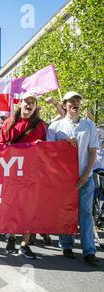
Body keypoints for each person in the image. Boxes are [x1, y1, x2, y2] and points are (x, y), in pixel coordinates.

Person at [47, 91, 100, 267]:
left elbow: (93, 151)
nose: (75, 103)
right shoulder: (55, 127)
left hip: (85, 178)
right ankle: (66, 245)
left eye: (77, 100)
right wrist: (63, 144)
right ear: (64, 105)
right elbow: (48, 152)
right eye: (71, 101)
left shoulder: (90, 126)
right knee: (66, 212)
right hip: (64, 180)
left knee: (86, 214)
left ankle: (89, 251)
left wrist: (86, 175)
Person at [0, 92, 47, 259]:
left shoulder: (41, 125)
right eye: (27, 101)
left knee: (29, 208)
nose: (30, 104)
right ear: (21, 103)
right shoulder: (9, 122)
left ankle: (25, 243)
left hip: (32, 173)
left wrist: (43, 145)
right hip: (12, 172)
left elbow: (48, 149)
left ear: (35, 106)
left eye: (33, 102)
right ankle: (11, 238)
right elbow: (1, 147)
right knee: (12, 206)